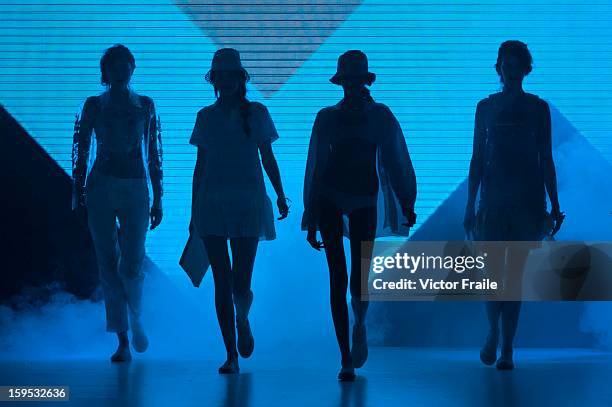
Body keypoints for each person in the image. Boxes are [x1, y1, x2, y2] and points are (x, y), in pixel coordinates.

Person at [302, 50, 417, 381]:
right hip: (329, 200)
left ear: (363, 82)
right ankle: (345, 357)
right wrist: (311, 212)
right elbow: (316, 166)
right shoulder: (327, 117)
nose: (351, 86)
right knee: (337, 278)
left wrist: (407, 200)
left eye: (356, 80)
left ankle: (360, 325)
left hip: (364, 199)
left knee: (359, 278)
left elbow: (397, 160)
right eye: (347, 81)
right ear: (342, 83)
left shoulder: (380, 116)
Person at [464, 40, 564, 370]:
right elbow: (477, 157)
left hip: (527, 200)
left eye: (515, 64)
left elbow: (546, 157)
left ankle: (507, 347)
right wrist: (470, 204)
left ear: (524, 68)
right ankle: (494, 332)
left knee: (515, 277)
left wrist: (554, 202)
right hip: (493, 199)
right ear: (499, 68)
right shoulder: (485, 107)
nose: (509, 70)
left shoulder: (538, 108)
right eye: (505, 64)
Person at [189, 48, 289, 374]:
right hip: (213, 201)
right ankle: (230, 353)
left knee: (240, 282)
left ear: (240, 79)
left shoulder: (257, 112)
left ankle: (242, 319)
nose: (227, 81)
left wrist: (280, 194)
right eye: (222, 75)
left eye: (232, 75)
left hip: (247, 200)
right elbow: (200, 165)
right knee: (222, 279)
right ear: (215, 80)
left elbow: (267, 157)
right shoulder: (205, 116)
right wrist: (194, 213)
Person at [72, 44, 163, 362]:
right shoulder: (94, 105)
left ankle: (135, 318)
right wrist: (77, 190)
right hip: (101, 185)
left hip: (136, 185)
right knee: (107, 262)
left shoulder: (145, 105)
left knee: (132, 260)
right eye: (115, 65)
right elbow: (81, 149)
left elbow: (154, 152)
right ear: (106, 71)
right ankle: (122, 339)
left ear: (132, 68)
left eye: (126, 64)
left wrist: (159, 197)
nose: (121, 69)